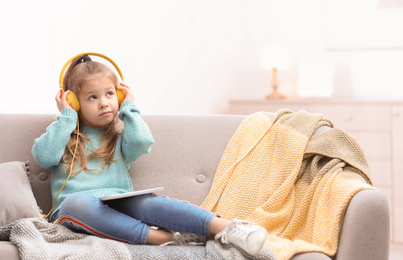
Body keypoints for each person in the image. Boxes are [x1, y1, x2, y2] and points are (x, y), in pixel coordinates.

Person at [32, 54, 268, 256]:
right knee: (76, 203)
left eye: (110, 94)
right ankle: (161, 238)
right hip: (77, 212)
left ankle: (228, 228)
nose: (104, 103)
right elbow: (44, 156)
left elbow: (142, 142)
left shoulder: (118, 134)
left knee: (145, 202)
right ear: (73, 102)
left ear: (120, 95)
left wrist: (129, 109)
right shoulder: (63, 135)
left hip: (120, 203)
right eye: (93, 97)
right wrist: (66, 118)